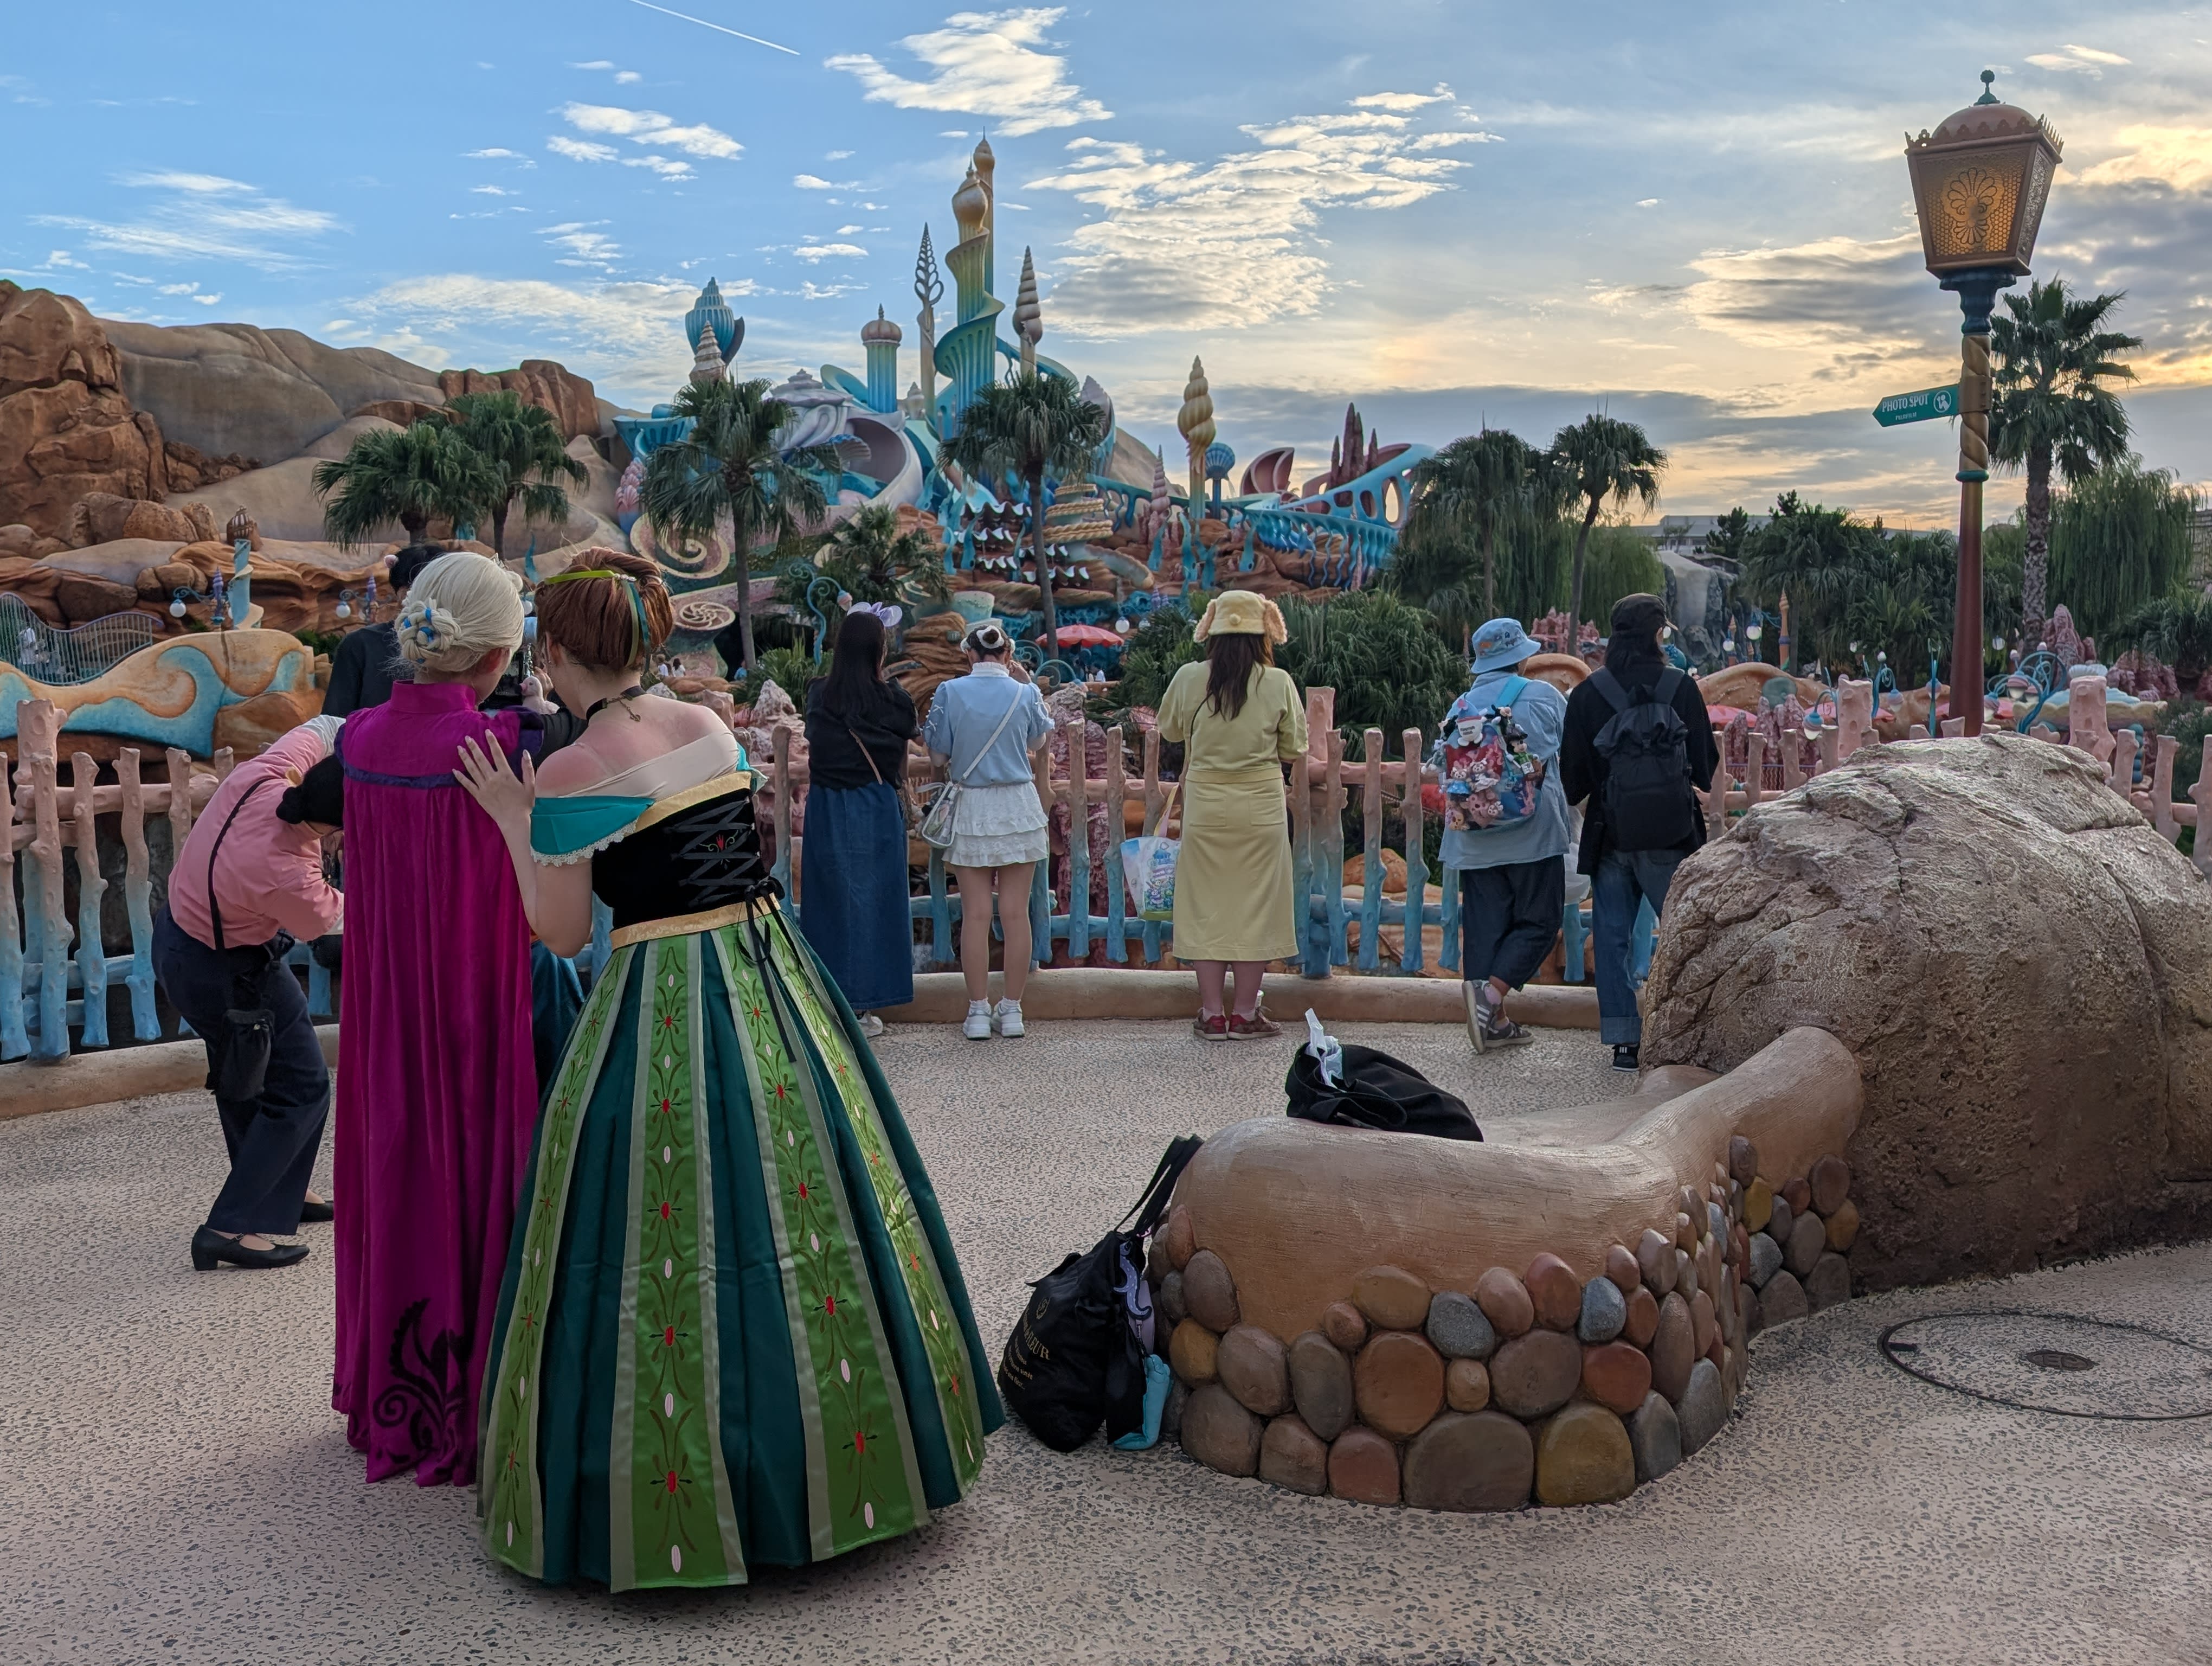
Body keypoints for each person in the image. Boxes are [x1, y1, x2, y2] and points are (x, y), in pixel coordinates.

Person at [451, 550, 1002, 1592]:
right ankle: (853, 1453)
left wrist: (515, 825)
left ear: (557, 651)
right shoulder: (707, 728)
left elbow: (563, 932)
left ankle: (686, 1496)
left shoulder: (569, 772)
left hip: (657, 990)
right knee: (815, 1200)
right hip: (769, 974)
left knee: (657, 1231)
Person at [331, 549, 555, 1486]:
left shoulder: (360, 743)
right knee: (474, 1171)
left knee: (398, 1171)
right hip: (474, 1005)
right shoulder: (504, 744)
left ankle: (398, 1392)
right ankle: (482, 1393)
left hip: (386, 1015)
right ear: (498, 654)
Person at [154, 717, 345, 1271]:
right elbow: (353, 924)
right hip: (222, 970)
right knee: (302, 1087)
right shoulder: (287, 873)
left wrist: (377, 735)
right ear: (335, 826)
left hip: (185, 939)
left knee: (251, 1079)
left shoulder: (265, 775)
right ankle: (231, 1227)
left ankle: (281, 1194)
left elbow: (326, 725)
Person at [1559, 593, 1718, 1072]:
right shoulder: (1681, 688)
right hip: (1672, 835)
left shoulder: (1590, 693)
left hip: (1611, 835)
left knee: (1612, 936)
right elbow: (1705, 769)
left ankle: (1625, 1041)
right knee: (1683, 931)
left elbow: (1573, 780)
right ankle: (1685, 1028)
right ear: (1657, 635)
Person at [1156, 590, 1308, 1039]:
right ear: (1263, 635)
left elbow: (1169, 729)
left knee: (1206, 905)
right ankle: (1244, 1014)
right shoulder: (1278, 683)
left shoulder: (1189, 678)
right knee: (1255, 907)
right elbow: (1294, 748)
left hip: (1206, 807)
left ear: (1213, 634)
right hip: (1261, 807)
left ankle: (1211, 1014)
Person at [1436, 617, 1572, 1053]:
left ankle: (1494, 1024)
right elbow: (1568, 752)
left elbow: (1444, 765)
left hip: (1474, 832)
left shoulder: (1461, 707)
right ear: (1521, 656)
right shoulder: (1544, 695)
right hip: (1533, 832)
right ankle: (1490, 998)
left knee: (1485, 928)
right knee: (1540, 921)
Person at [922, 619, 1053, 1040]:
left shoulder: (949, 693)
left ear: (969, 654)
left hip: (972, 808)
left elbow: (938, 755)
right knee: (1017, 914)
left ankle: (977, 1012)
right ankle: (1012, 1010)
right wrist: (1028, 683)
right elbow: (1038, 744)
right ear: (1008, 655)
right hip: (1018, 805)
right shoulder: (1025, 693)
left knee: (976, 915)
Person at [801, 605, 919, 1034]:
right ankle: (868, 1006)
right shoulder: (895, 701)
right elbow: (910, 740)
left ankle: (829, 1000)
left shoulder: (819, 694)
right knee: (878, 901)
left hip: (828, 806)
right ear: (878, 652)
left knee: (828, 901)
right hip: (875, 805)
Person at [321, 542, 441, 718]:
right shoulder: (360, 645)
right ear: (400, 593)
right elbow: (334, 719)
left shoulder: (463, 644)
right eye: (412, 587)